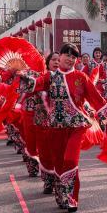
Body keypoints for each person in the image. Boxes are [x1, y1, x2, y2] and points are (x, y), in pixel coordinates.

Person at [20, 43, 107, 212]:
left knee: (70, 159)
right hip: (55, 127)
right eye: (67, 55)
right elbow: (34, 85)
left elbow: (97, 99)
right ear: (59, 57)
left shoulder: (81, 77)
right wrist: (21, 75)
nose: (70, 59)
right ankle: (62, 194)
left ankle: (72, 198)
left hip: (76, 125)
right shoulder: (50, 77)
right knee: (59, 162)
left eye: (73, 56)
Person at [35, 53, 60, 194]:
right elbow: (31, 88)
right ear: (48, 62)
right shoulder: (42, 77)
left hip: (60, 120)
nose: (56, 62)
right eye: (53, 60)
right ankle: (47, 181)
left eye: (58, 60)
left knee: (58, 152)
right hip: (43, 120)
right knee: (44, 152)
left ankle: (59, 181)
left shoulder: (65, 77)